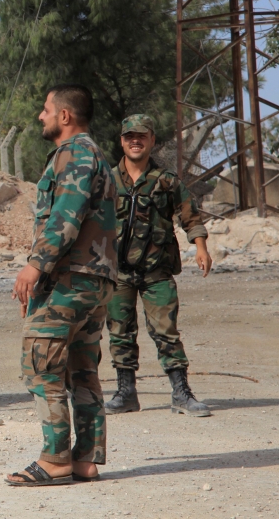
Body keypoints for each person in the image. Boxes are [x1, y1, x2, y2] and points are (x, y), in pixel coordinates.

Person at [7, 84, 117, 486]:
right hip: (93, 279)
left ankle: (54, 459)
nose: (41, 116)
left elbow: (65, 215)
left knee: (40, 363)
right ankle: (85, 459)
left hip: (71, 278)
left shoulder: (76, 152)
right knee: (82, 368)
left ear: (65, 116)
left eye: (46, 109)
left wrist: (35, 267)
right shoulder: (93, 154)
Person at [104, 114, 212, 417]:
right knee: (120, 332)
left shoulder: (167, 181)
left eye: (142, 136)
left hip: (157, 272)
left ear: (152, 140)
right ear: (122, 141)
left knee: (166, 330)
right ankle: (126, 393)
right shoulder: (107, 181)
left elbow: (190, 216)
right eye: (129, 136)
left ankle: (181, 393)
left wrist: (200, 247)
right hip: (118, 273)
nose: (135, 141)